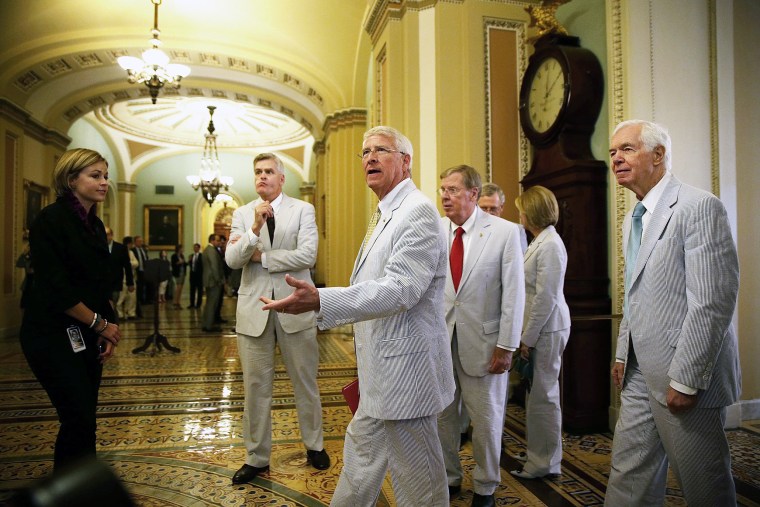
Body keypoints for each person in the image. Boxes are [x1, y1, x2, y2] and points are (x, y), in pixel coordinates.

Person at [261, 126, 454, 506]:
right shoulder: (385, 212)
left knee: (419, 484)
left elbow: (401, 289)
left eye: (381, 150)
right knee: (361, 460)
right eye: (364, 152)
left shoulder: (416, 212)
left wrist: (322, 300)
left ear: (405, 161)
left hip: (407, 375)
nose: (369, 158)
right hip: (379, 373)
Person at [604, 120, 741, 506]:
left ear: (659, 154)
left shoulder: (698, 207)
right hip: (637, 374)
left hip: (682, 380)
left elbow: (711, 303)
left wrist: (686, 379)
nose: (616, 158)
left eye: (627, 149)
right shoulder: (635, 217)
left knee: (704, 485)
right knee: (629, 476)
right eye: (613, 152)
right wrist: (621, 353)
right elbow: (637, 294)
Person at [225, 152, 329, 484]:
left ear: (281, 178)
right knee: (255, 388)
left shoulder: (303, 210)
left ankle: (314, 445)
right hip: (253, 311)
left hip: (294, 305)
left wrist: (263, 258)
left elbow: (307, 255)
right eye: (257, 172)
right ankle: (256, 457)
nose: (262, 177)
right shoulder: (243, 214)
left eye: (269, 171)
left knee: (305, 382)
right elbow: (232, 259)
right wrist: (254, 227)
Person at [19, 148, 121, 470]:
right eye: (95, 175)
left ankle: (83, 488)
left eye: (105, 176)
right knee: (76, 415)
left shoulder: (94, 222)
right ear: (70, 179)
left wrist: (107, 326)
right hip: (50, 334)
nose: (104, 182)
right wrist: (100, 325)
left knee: (85, 419)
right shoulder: (51, 219)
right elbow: (55, 289)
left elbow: (98, 283)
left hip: (85, 332)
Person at [436, 165, 524, 507]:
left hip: (486, 346)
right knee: (443, 418)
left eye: (453, 189)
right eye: (443, 189)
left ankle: (486, 486)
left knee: (485, 420)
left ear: (473, 193)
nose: (445, 195)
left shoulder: (505, 232)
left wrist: (506, 345)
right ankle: (450, 477)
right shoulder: (435, 231)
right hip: (442, 343)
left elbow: (514, 293)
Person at [509, 185, 570, 480]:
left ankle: (544, 462)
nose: (519, 214)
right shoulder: (540, 241)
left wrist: (527, 339)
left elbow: (545, 298)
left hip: (546, 329)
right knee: (537, 397)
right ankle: (539, 452)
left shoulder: (550, 245)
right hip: (541, 329)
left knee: (544, 397)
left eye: (522, 209)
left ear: (531, 212)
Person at [479, 182, 528, 253]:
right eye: (483, 208)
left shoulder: (517, 230)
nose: (488, 213)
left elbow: (522, 261)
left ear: (501, 207)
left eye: (493, 208)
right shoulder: (467, 229)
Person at [105, 226, 135, 307]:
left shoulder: (120, 248)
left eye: (107, 234)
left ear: (111, 235)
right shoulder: (98, 247)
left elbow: (127, 266)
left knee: (114, 302)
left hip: (116, 281)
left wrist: (130, 283)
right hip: (102, 282)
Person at [201, 234, 224, 332]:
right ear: (212, 240)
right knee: (212, 304)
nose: (219, 243)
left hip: (209, 280)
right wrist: (218, 280)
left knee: (209, 303)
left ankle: (206, 324)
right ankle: (209, 326)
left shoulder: (207, 250)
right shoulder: (211, 251)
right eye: (217, 240)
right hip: (213, 281)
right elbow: (214, 267)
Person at [115, 236, 139, 320]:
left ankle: (131, 313)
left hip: (131, 277)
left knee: (132, 298)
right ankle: (120, 313)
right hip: (122, 278)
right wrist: (127, 263)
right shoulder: (120, 251)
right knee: (121, 298)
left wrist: (128, 263)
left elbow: (136, 263)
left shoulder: (131, 253)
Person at [16, 232, 34, 309]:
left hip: (37, 288)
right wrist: (23, 254)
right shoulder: (27, 259)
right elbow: (19, 264)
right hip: (27, 287)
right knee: (24, 307)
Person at [132, 235, 149, 315]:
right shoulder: (132, 251)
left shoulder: (144, 250)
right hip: (137, 272)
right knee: (137, 291)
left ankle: (141, 304)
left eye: (141, 241)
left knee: (141, 290)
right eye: (139, 241)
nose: (140, 243)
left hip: (144, 272)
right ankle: (136, 309)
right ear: (135, 242)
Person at [170, 244, 187, 309]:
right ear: (179, 249)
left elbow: (184, 263)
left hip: (183, 273)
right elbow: (173, 264)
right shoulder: (174, 256)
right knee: (178, 288)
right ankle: (175, 302)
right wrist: (179, 262)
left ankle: (178, 301)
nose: (183, 250)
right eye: (182, 248)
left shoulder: (182, 255)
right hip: (177, 273)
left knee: (181, 288)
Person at [187, 243, 203, 309]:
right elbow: (189, 264)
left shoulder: (201, 256)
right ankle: (192, 304)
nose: (195, 248)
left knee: (199, 291)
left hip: (199, 276)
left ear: (199, 248)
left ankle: (198, 305)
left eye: (196, 247)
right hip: (192, 276)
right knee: (192, 290)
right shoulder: (191, 256)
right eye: (194, 247)